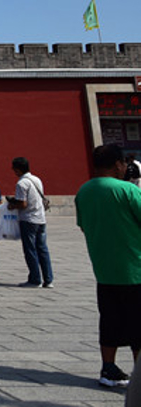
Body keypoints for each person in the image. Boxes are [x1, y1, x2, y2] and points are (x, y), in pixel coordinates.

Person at [75, 143, 141, 389]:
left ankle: (108, 368)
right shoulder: (128, 190)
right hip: (135, 268)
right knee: (138, 325)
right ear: (118, 164)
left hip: (104, 270)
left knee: (110, 320)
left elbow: (83, 226)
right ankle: (138, 376)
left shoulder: (84, 191)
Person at [6, 156, 54, 288]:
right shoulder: (36, 179)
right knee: (43, 249)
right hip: (41, 219)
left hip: (28, 219)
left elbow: (23, 203)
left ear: (17, 170)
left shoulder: (21, 183)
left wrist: (12, 205)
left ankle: (35, 279)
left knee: (30, 250)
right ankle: (48, 279)